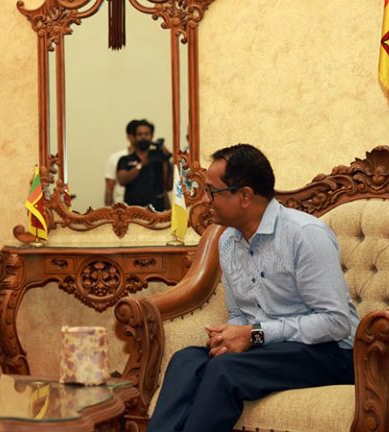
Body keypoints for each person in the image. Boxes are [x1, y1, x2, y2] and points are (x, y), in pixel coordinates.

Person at [147, 144, 360, 432]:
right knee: (185, 361)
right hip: (269, 349)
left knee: (225, 371)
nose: (205, 200)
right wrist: (229, 336)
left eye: (213, 191)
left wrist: (254, 334)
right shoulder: (228, 241)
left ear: (245, 195)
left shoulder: (304, 234)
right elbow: (239, 314)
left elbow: (336, 322)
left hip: (330, 353)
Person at [116, 119, 170, 211]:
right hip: (133, 211)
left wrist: (166, 158)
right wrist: (141, 165)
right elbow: (122, 180)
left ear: (152, 136)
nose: (143, 137)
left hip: (157, 210)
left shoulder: (158, 158)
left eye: (146, 134)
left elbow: (168, 185)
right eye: (140, 134)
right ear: (134, 137)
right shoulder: (125, 159)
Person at [104, 119, 140, 206]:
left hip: (148, 208)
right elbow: (109, 189)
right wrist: (108, 211)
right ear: (128, 136)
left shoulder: (151, 157)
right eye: (136, 134)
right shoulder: (116, 158)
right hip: (122, 208)